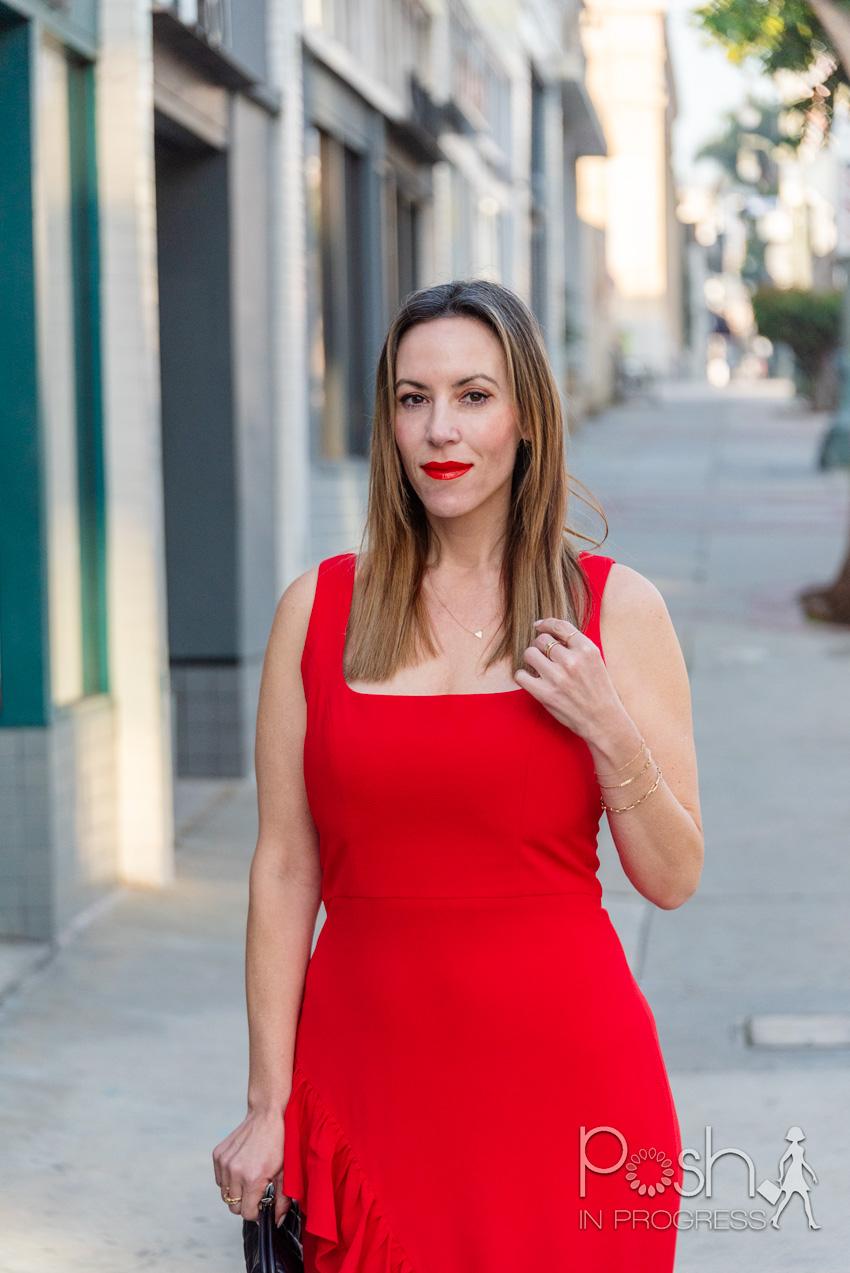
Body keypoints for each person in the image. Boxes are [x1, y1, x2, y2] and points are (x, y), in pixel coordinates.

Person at [213, 280, 703, 1270]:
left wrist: (609, 727)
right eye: (413, 398)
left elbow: (672, 875)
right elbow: (284, 867)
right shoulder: (317, 611)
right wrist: (267, 1099)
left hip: (571, 1090)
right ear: (388, 422)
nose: (441, 427)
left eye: (474, 396)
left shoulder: (616, 609)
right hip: (367, 1082)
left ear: (528, 418)